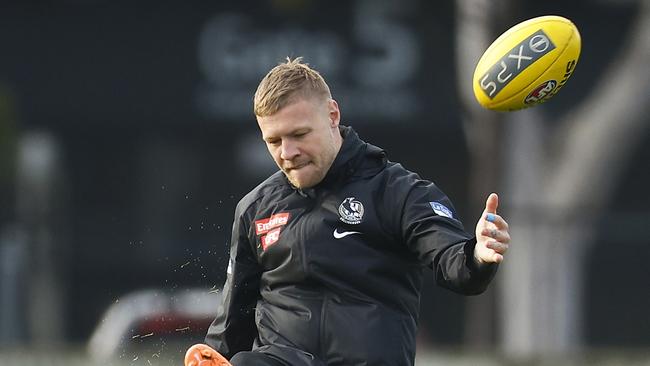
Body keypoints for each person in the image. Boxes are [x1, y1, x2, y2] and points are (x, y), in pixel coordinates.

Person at [184, 57, 510, 366]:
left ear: (332, 115)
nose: (288, 152)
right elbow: (231, 326)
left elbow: (456, 264)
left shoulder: (397, 192)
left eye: (299, 135)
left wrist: (479, 254)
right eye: (274, 141)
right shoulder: (255, 210)